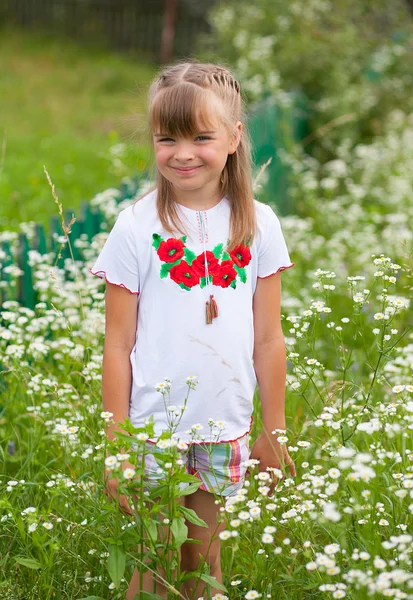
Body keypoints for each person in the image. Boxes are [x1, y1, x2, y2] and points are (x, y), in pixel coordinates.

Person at [90, 61, 296, 599]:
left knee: (204, 558)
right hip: (151, 429)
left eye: (201, 137)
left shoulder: (259, 224)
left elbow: (269, 338)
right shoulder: (136, 226)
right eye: (167, 139)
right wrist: (117, 443)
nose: (183, 153)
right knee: (150, 556)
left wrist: (271, 429)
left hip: (223, 421)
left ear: (233, 137)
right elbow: (117, 343)